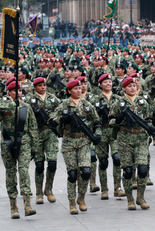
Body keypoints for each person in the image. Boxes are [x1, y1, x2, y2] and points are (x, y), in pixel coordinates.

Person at [49, 79, 102, 214]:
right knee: (72, 174)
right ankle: (72, 202)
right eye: (76, 89)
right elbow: (52, 122)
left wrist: (98, 135)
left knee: (85, 171)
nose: (79, 90)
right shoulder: (64, 105)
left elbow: (97, 121)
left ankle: (81, 197)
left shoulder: (87, 105)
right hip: (69, 142)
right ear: (69, 91)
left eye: (80, 88)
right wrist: (62, 119)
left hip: (84, 141)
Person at [0, 80, 38, 219]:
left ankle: (27, 204)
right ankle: (13, 206)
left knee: (24, 171)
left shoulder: (26, 107)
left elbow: (33, 127)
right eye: (14, 91)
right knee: (11, 172)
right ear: (9, 92)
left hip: (24, 141)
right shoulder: (4, 105)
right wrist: (12, 105)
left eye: (19, 91)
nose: (18, 93)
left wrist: (35, 147)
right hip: (8, 142)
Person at [108, 77, 153, 210]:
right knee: (128, 171)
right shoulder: (118, 103)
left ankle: (141, 197)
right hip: (125, 139)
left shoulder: (143, 102)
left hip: (140, 138)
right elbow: (110, 122)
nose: (133, 88)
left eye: (134, 85)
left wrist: (150, 127)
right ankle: (130, 199)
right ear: (124, 88)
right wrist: (118, 119)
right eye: (129, 86)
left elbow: (149, 118)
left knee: (143, 169)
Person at [25, 77, 61, 204]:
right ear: (35, 87)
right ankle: (39, 192)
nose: (43, 87)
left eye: (44, 85)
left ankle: (49, 189)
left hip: (50, 133)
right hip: (37, 134)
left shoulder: (52, 98)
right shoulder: (30, 99)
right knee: (39, 165)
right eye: (40, 85)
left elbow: (61, 109)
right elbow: (24, 114)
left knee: (52, 163)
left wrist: (55, 119)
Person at [91, 74, 126, 199]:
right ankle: (104, 189)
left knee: (117, 159)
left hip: (114, 131)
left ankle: (118, 187)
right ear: (100, 85)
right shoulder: (95, 99)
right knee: (103, 162)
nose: (108, 84)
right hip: (101, 131)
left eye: (110, 82)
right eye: (105, 82)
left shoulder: (118, 99)